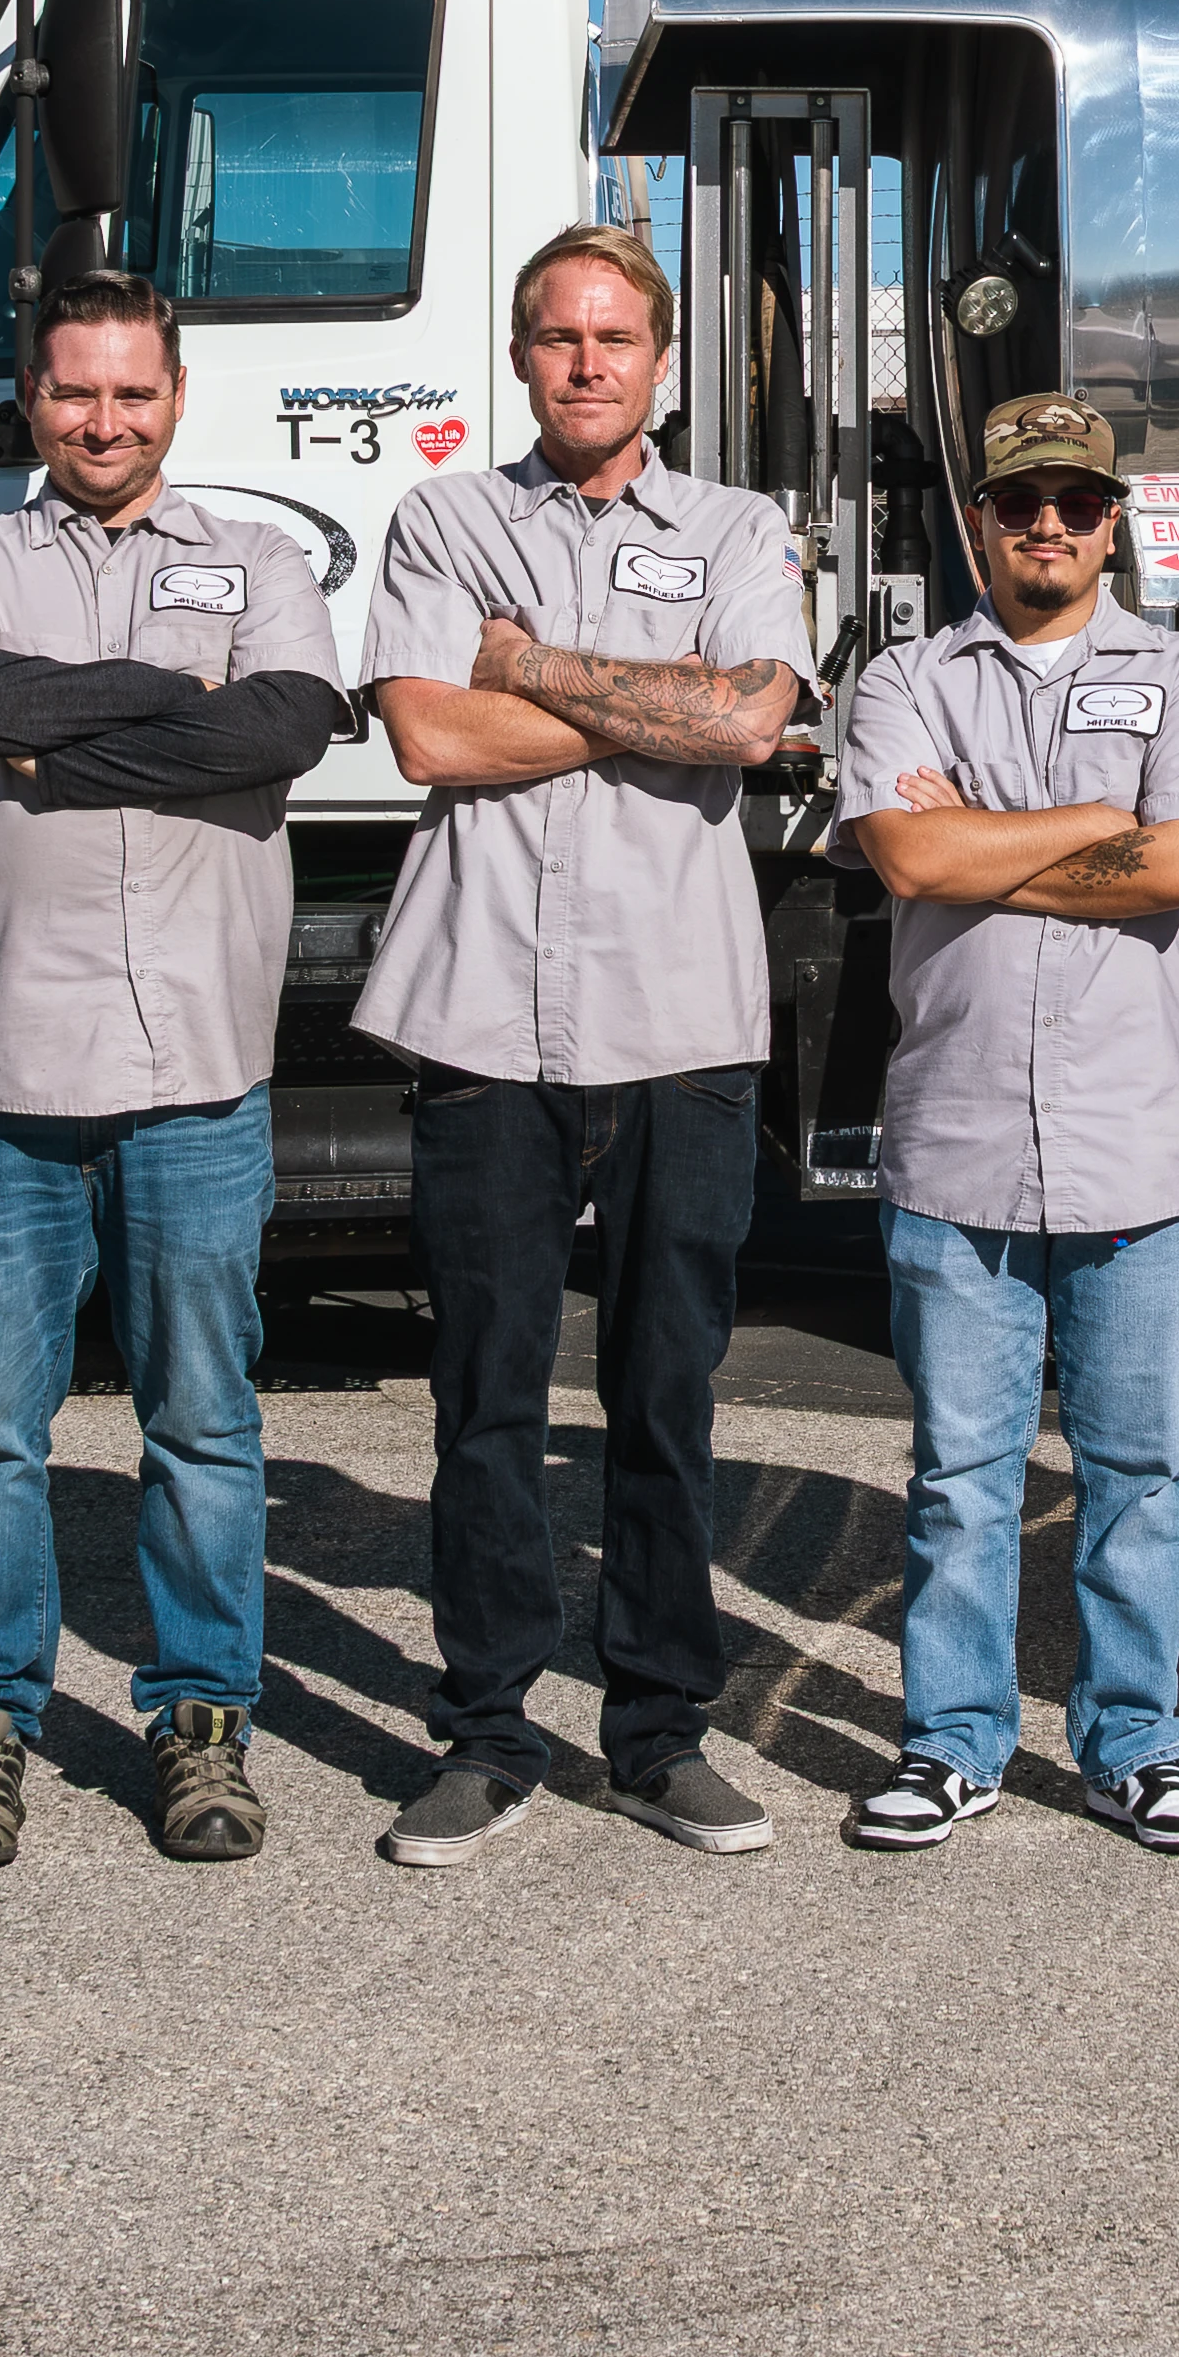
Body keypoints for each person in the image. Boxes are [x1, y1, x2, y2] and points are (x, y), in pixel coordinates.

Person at [0, 270, 350, 1873]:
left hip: (200, 1062)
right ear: (33, 394)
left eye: (133, 391)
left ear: (177, 394)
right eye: (76, 391)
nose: (104, 420)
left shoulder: (259, 558)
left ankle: (203, 1720)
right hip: (5, 1061)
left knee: (204, 1420)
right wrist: (161, 700)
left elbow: (282, 726)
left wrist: (52, 736)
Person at [355, 218, 812, 1863]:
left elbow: (750, 721)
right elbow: (428, 731)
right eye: (559, 336)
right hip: (482, 1013)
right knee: (482, 1393)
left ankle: (658, 1729)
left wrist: (532, 667)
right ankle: (482, 1729)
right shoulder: (442, 515)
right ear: (521, 356)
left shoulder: (740, 524)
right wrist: (651, 700)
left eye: (616, 337)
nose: (588, 361)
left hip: (681, 1025)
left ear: (663, 362)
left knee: (662, 1395)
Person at [824, 394, 1179, 1856]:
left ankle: (1135, 1741)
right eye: (1021, 503)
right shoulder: (905, 677)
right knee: (961, 1474)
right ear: (978, 523)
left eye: (1077, 500)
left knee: (1138, 1471)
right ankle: (953, 1739)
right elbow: (903, 846)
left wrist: (988, 844)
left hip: (1140, 1144)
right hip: (955, 1142)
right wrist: (1095, 820)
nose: (1049, 525)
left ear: (1113, 518)